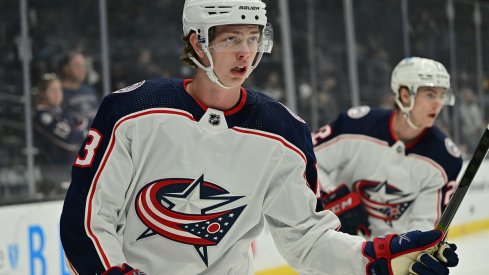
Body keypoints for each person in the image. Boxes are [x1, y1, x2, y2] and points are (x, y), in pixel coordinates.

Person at [60, 2, 459, 274]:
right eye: (232, 39)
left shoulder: (283, 131)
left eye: (253, 39)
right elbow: (88, 222)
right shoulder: (133, 111)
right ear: (197, 42)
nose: (245, 54)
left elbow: (307, 239)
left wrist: (380, 259)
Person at [312, 57, 463, 239]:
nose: (438, 104)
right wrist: (336, 200)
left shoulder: (444, 160)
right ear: (405, 95)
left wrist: (408, 253)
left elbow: (424, 226)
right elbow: (308, 160)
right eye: (430, 94)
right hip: (337, 246)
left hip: (387, 259)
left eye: (442, 95)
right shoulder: (354, 126)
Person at [33, 73, 87, 195]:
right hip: (54, 173)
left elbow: (88, 127)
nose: (58, 94)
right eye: (53, 90)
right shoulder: (42, 116)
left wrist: (80, 131)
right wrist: (80, 132)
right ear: (42, 93)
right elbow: (71, 139)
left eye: (59, 90)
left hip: (71, 170)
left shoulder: (63, 112)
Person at [57, 50, 100, 130]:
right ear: (65, 68)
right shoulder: (58, 93)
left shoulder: (89, 90)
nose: (82, 69)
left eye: (84, 66)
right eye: (77, 65)